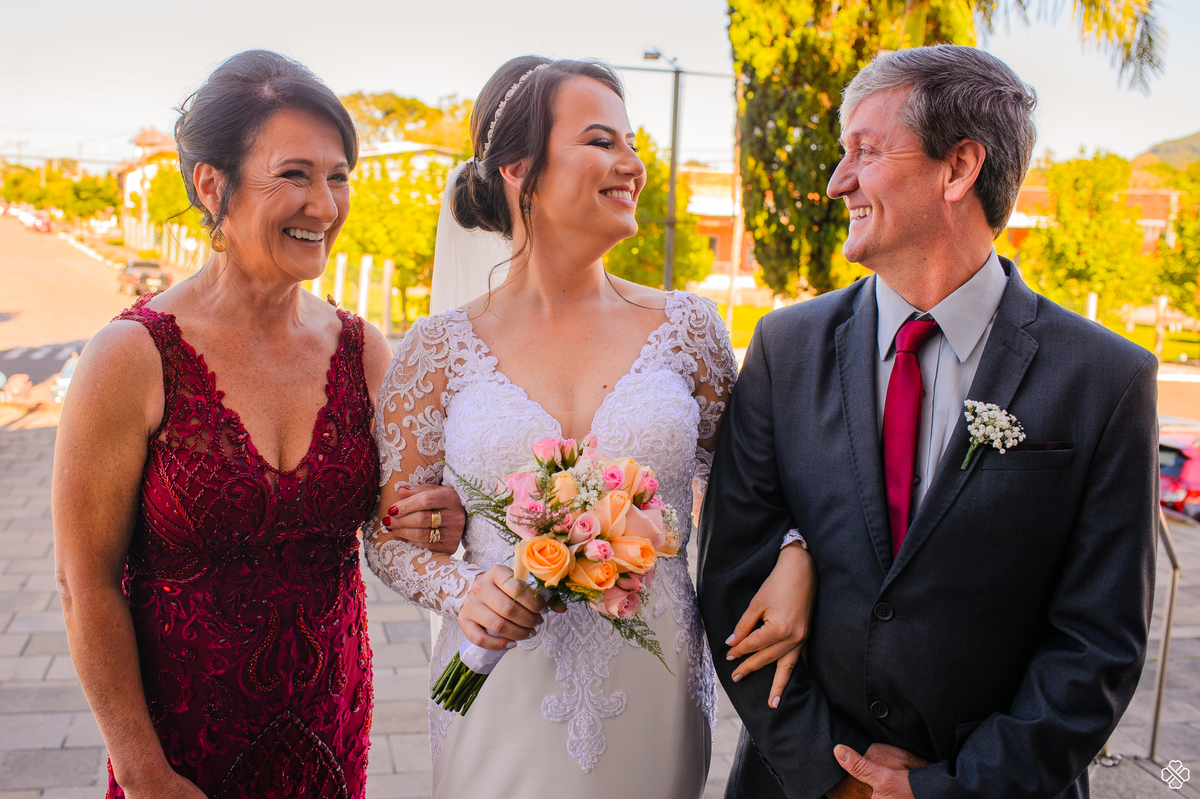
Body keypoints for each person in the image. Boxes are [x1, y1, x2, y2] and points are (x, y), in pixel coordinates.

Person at [699, 44, 1159, 799]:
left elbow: (1098, 644)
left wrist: (945, 788)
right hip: (797, 782)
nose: (836, 180)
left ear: (958, 168)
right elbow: (732, 577)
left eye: (865, 152)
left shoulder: (1106, 379)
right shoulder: (785, 348)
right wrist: (835, 775)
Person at [365, 55, 815, 797]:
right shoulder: (436, 349)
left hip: (654, 682)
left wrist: (796, 553)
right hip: (496, 681)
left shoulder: (689, 328)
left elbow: (756, 490)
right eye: (602, 141)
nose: (632, 164)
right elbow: (386, 536)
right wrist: (461, 590)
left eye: (632, 144)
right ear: (519, 167)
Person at [51, 50, 463, 799]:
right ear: (213, 185)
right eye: (296, 174)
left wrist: (438, 518)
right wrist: (144, 773)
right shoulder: (133, 356)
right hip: (179, 753)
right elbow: (86, 584)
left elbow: (398, 523)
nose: (325, 204)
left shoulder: (363, 350)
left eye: (338, 176)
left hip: (328, 733)